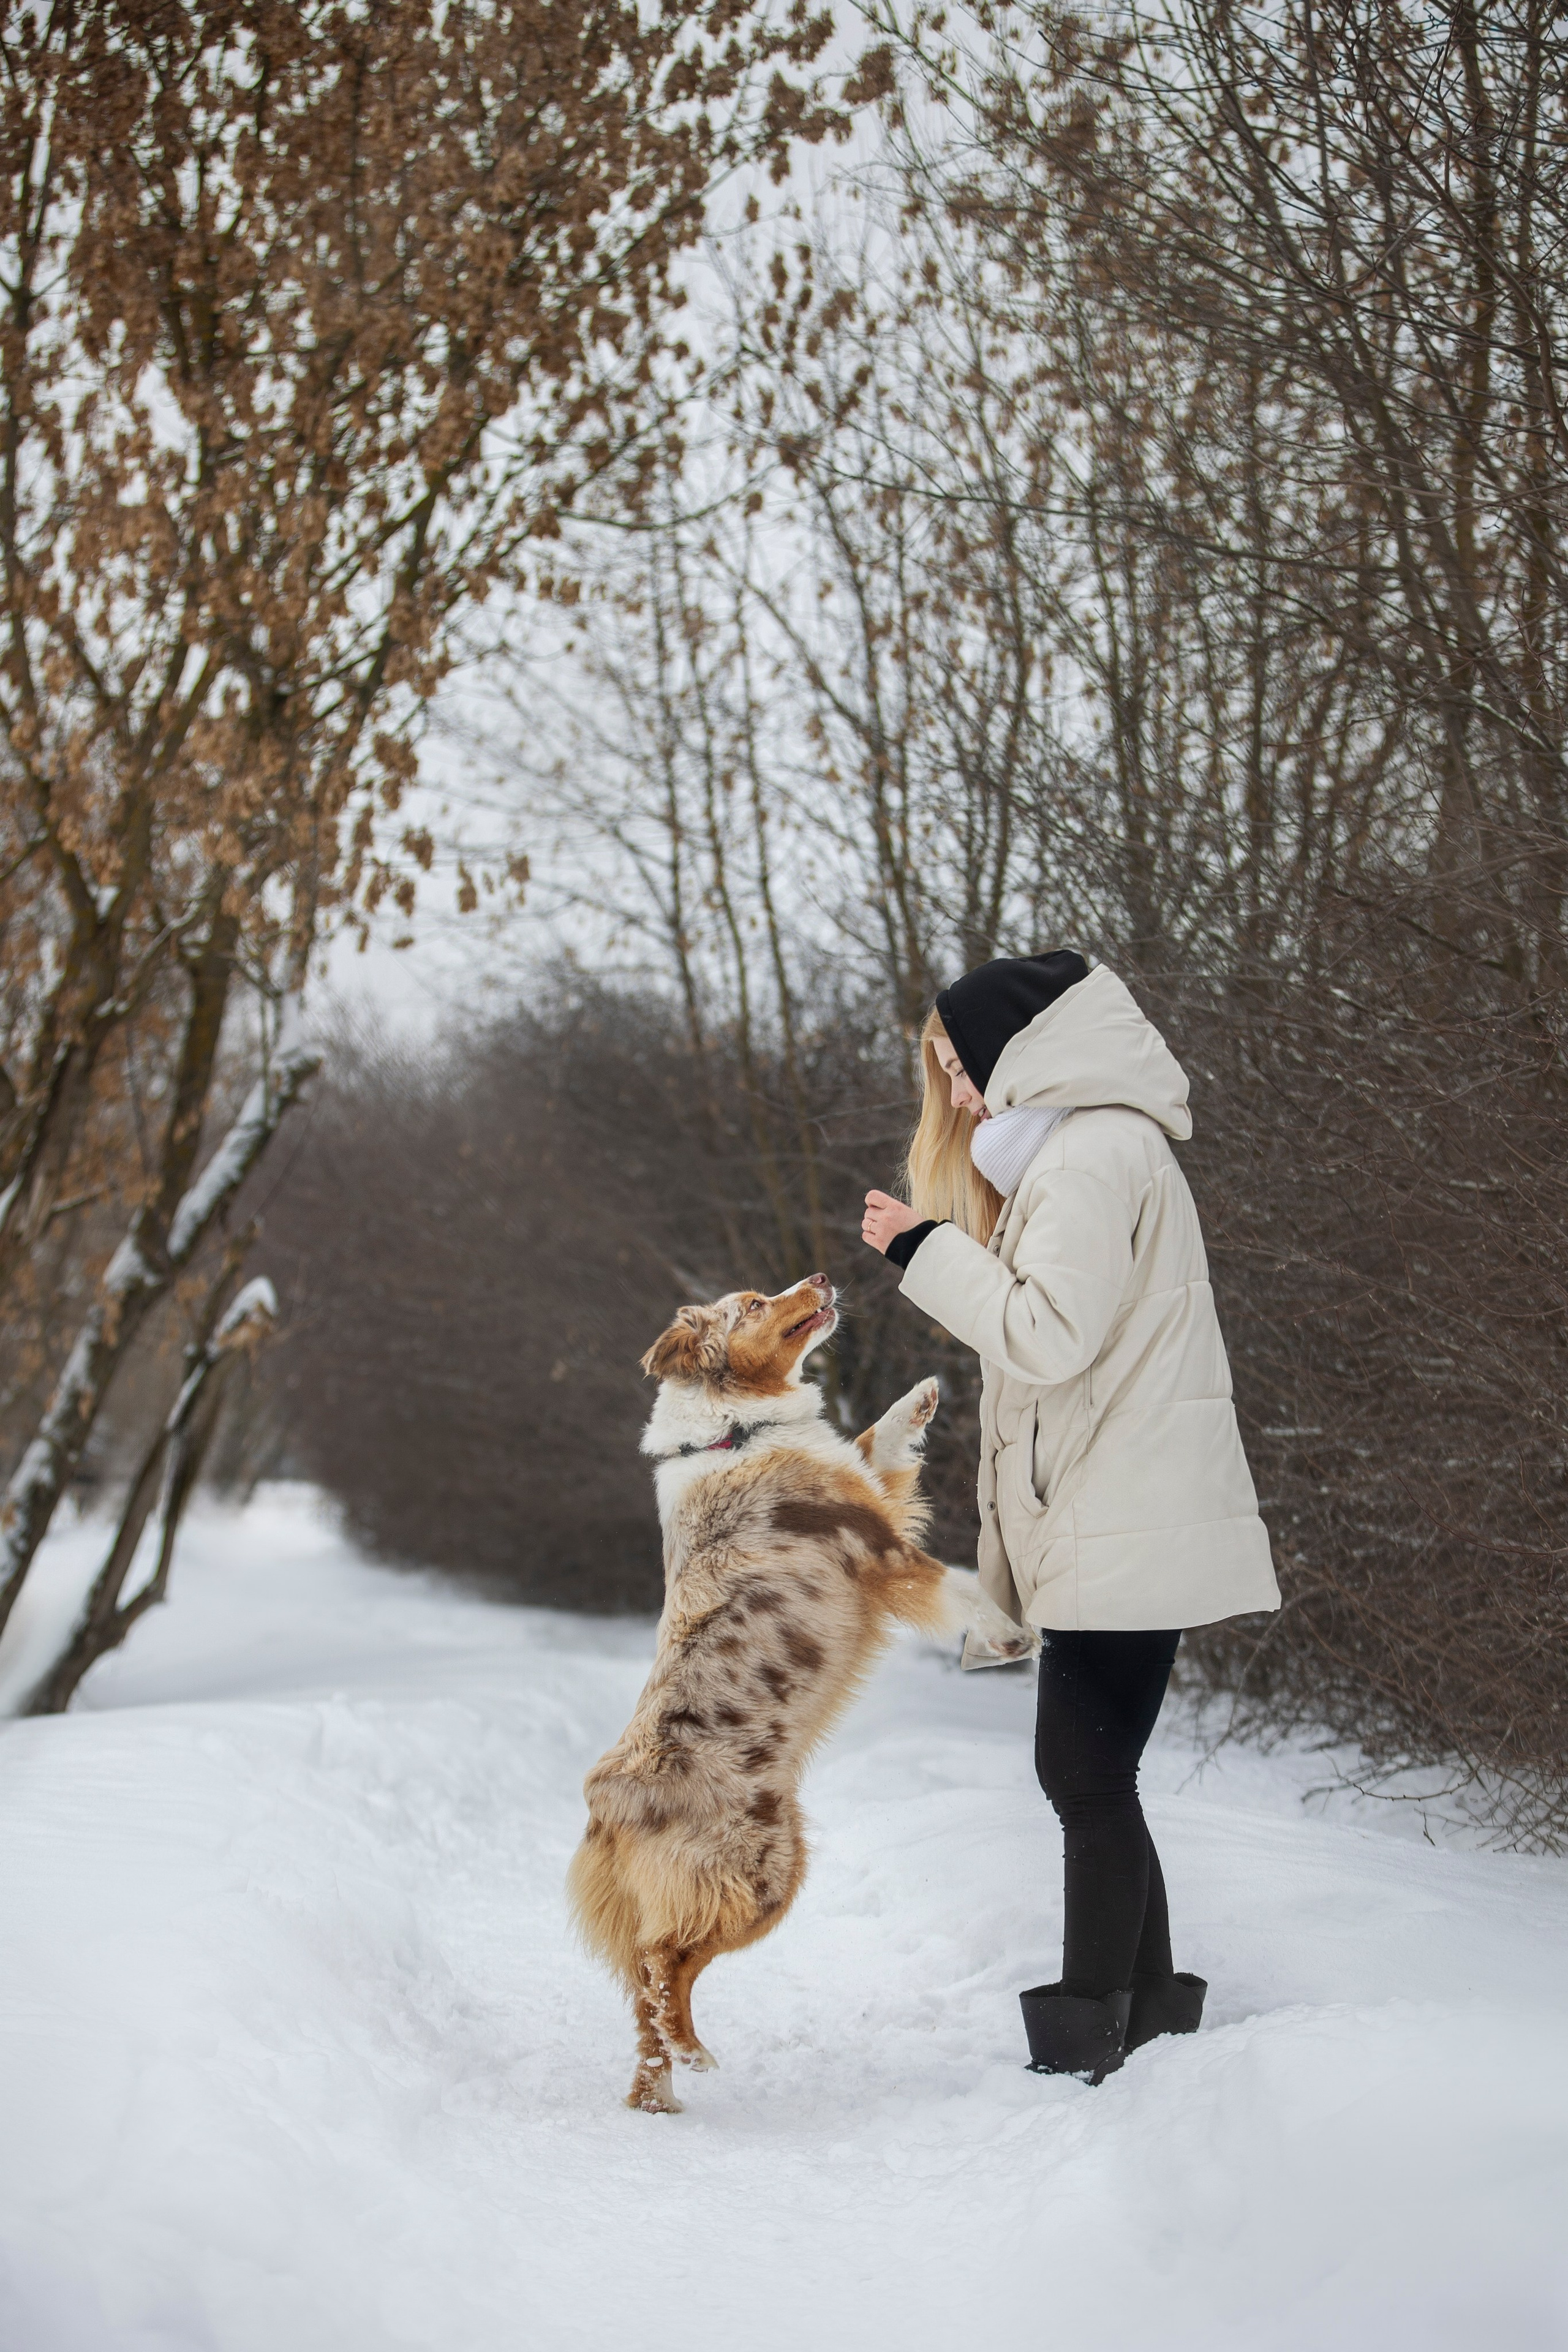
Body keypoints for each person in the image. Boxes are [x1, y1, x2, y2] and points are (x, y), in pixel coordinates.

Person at [861, 952, 1279, 2082]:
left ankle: (1096, 2040)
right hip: (1114, 1510)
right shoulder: (1081, 1150)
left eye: (958, 1069)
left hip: (1124, 1512)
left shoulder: (1094, 1151)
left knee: (1084, 1777)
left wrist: (922, 1249)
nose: (953, 1096)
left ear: (1018, 1053)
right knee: (1093, 1777)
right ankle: (1136, 2028)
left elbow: (1048, 1334)